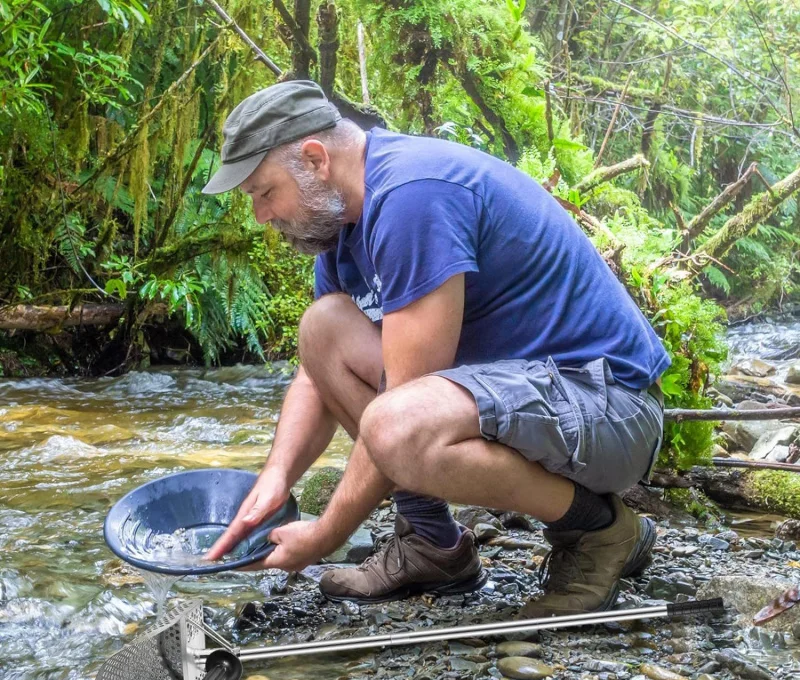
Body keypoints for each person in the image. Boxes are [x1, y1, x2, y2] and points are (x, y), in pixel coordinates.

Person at [202, 80, 670, 617]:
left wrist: (325, 534)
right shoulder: (341, 227)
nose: (261, 215)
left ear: (315, 160)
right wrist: (275, 478)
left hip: (612, 408)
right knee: (322, 329)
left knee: (396, 423)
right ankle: (431, 543)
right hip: (532, 405)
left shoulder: (412, 195)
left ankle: (599, 530)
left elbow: (401, 406)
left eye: (264, 193)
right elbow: (317, 375)